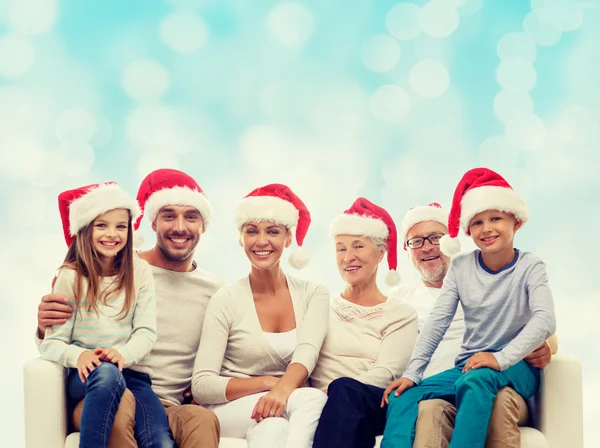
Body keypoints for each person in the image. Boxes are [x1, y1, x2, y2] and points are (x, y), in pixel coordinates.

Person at [36, 169, 223, 448]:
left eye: (191, 217)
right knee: (120, 403)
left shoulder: (215, 290)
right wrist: (42, 326)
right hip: (104, 392)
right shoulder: (111, 266)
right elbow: (56, 337)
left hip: (162, 400)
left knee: (202, 419)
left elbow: (229, 354)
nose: (180, 227)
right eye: (169, 215)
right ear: (152, 223)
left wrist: (207, 389)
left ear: (204, 226)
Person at [381, 168, 557, 448]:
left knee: (475, 380)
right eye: (477, 222)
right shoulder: (461, 268)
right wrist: (412, 375)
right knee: (404, 395)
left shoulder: (530, 266)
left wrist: (500, 359)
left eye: (496, 218)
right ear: (467, 230)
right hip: (469, 367)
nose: (486, 228)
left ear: (516, 222)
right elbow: (437, 322)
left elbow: (545, 320)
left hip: (516, 368)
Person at [192, 183, 330, 448]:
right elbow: (202, 384)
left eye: (273, 231)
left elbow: (307, 352)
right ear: (240, 238)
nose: (262, 241)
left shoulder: (314, 294)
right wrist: (271, 385)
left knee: (274, 427)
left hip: (281, 404)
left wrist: (280, 392)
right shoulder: (226, 299)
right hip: (228, 408)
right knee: (310, 399)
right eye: (252, 231)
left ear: (288, 238)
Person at [39, 182, 174, 447]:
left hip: (133, 374)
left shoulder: (140, 272)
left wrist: (122, 354)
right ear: (85, 229)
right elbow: (52, 343)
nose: (112, 234)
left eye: (120, 226)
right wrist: (80, 355)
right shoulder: (70, 277)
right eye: (102, 225)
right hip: (87, 377)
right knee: (107, 373)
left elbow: (146, 332)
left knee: (160, 439)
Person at [311, 197, 418, 448]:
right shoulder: (319, 305)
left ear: (380, 253)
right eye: (341, 248)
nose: (349, 257)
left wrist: (335, 392)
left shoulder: (401, 314)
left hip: (374, 401)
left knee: (345, 390)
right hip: (319, 400)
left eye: (358, 247)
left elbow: (386, 373)